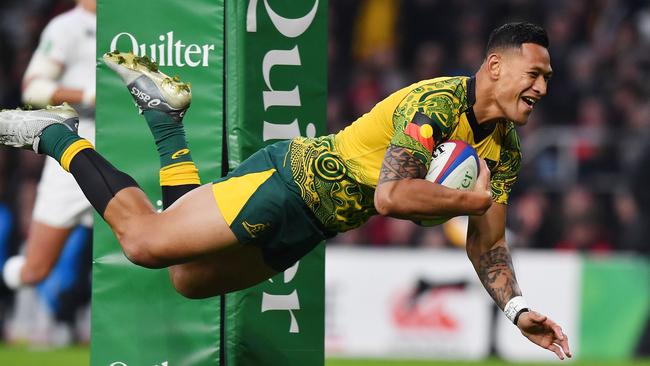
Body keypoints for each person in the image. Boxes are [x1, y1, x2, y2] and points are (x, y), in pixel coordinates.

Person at [0, 22, 572, 359]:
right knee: (145, 243)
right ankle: (58, 135)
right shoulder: (438, 105)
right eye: (535, 74)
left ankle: (167, 120)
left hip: (313, 225)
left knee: (188, 279)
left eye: (548, 78)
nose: (543, 87)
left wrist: (516, 309)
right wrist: (475, 200)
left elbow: (487, 243)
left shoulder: (506, 148)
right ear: (495, 66)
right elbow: (392, 198)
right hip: (287, 181)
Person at [2, 0, 96, 291]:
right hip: (72, 157)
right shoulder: (66, 26)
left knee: (143, 249)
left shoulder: (137, 24)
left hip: (124, 151)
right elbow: (33, 89)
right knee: (35, 270)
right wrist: (90, 94)